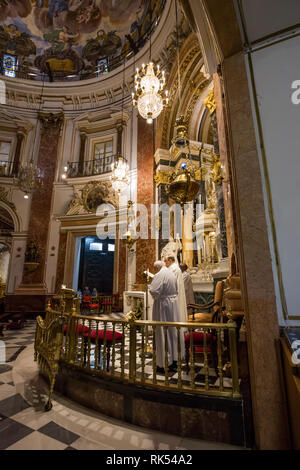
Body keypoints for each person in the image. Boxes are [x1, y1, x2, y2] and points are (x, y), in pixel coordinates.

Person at [149, 260, 185, 374]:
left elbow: (154, 291)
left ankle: (163, 363)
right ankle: (174, 360)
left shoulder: (160, 274)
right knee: (173, 332)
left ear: (156, 268)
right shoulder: (171, 274)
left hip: (163, 306)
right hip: (173, 305)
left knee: (162, 332)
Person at [164, 256, 188, 323]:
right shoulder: (173, 268)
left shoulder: (173, 269)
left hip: (174, 295)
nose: (165, 263)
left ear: (170, 261)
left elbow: (171, 283)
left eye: (165, 261)